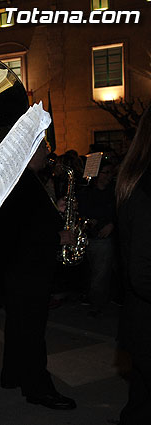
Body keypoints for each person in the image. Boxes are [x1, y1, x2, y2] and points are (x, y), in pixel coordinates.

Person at [0, 140, 77, 410]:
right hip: (28, 272)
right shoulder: (23, 184)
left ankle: (13, 375)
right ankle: (38, 388)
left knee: (19, 326)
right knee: (32, 331)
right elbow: (21, 234)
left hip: (21, 271)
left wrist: (58, 210)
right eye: (42, 148)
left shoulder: (24, 180)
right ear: (29, 152)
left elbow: (30, 223)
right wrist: (58, 237)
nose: (46, 153)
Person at [115, 105, 151, 425]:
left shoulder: (134, 177)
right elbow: (142, 271)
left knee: (141, 402)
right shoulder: (147, 185)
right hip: (146, 319)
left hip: (139, 318)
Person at [77, 159, 117, 316]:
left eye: (110, 172)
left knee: (100, 275)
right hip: (89, 237)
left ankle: (97, 304)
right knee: (92, 272)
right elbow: (83, 210)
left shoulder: (113, 192)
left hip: (103, 240)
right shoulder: (87, 192)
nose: (109, 176)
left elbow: (118, 211)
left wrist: (111, 224)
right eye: (105, 172)